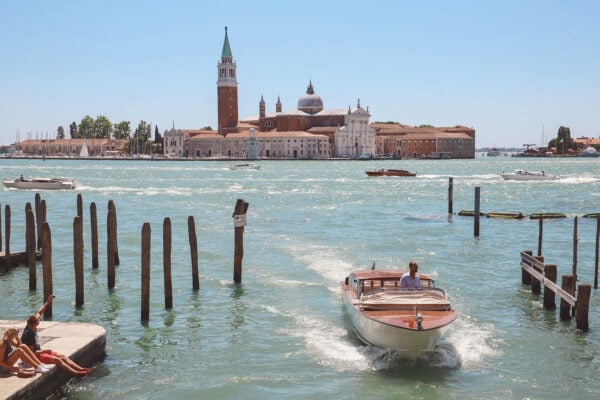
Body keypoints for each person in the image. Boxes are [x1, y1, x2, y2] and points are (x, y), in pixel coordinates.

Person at [21, 295, 94, 379]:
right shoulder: (28, 335)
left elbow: (39, 313)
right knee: (57, 360)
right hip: (33, 357)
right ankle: (77, 374)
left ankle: (82, 369)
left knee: (62, 356)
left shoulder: (31, 324)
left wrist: (48, 302)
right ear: (32, 324)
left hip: (38, 351)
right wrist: (44, 351)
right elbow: (31, 353)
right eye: (37, 323)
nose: (39, 323)